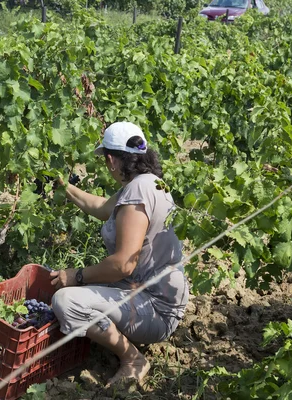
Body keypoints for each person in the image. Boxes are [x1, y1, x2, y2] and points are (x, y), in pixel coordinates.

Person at [49, 121, 190, 387]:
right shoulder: (150, 184)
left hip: (155, 308)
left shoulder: (138, 192)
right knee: (67, 284)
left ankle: (133, 359)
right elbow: (102, 207)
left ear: (112, 160)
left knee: (66, 301)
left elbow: (124, 264)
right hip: (146, 295)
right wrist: (64, 187)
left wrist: (77, 275)